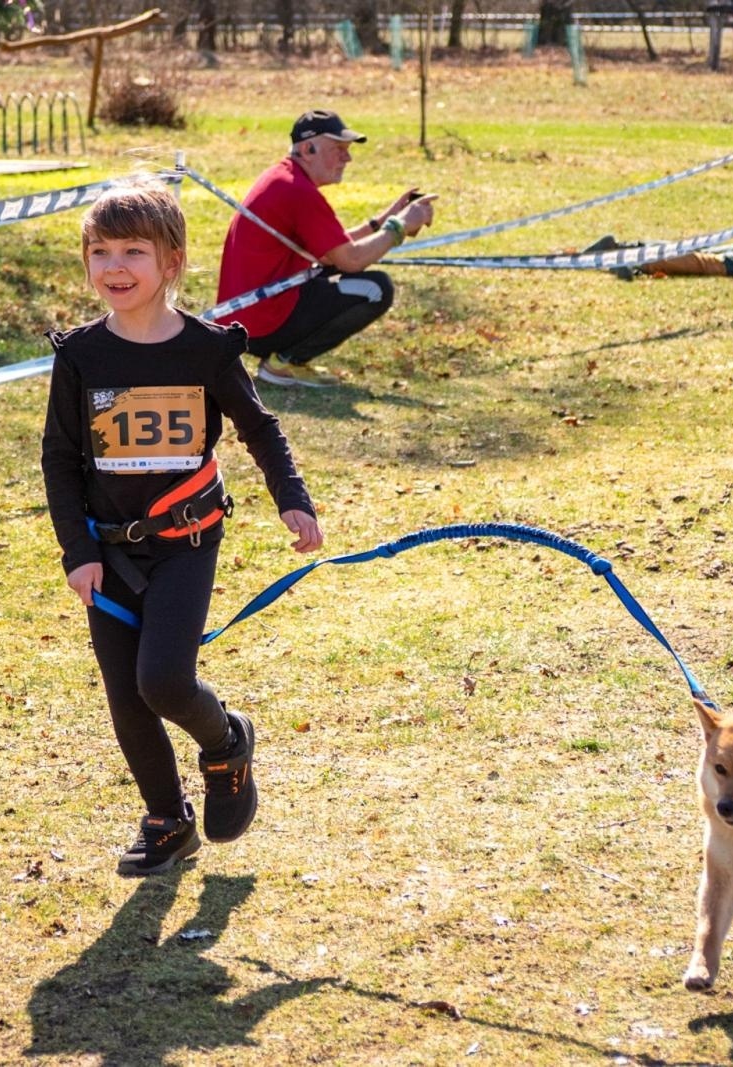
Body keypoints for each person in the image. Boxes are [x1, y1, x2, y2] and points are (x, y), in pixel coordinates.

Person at [41, 177, 324, 877]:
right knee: (125, 695)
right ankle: (167, 820)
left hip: (187, 542)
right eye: (100, 251)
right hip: (107, 551)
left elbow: (261, 428)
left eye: (133, 250)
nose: (114, 266)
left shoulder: (207, 350)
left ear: (171, 261)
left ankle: (226, 741)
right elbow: (59, 459)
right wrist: (77, 549)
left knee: (164, 680)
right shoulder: (80, 356)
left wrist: (292, 495)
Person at [215, 109, 438, 388]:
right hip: (261, 321)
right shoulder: (298, 191)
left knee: (340, 274)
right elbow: (351, 260)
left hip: (248, 319)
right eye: (339, 149)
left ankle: (287, 359)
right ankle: (285, 361)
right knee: (377, 288)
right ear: (308, 149)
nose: (348, 158)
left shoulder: (285, 178)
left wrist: (385, 219)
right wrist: (400, 226)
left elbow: (332, 250)